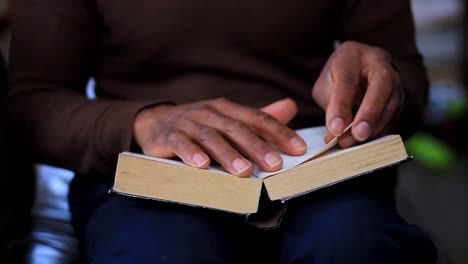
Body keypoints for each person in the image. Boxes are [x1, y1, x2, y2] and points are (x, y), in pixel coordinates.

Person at [7, 0, 438, 263]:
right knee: (161, 253)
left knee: (354, 245)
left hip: (313, 163)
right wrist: (144, 121)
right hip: (148, 168)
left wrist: (379, 85)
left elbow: (407, 79)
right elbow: (32, 101)